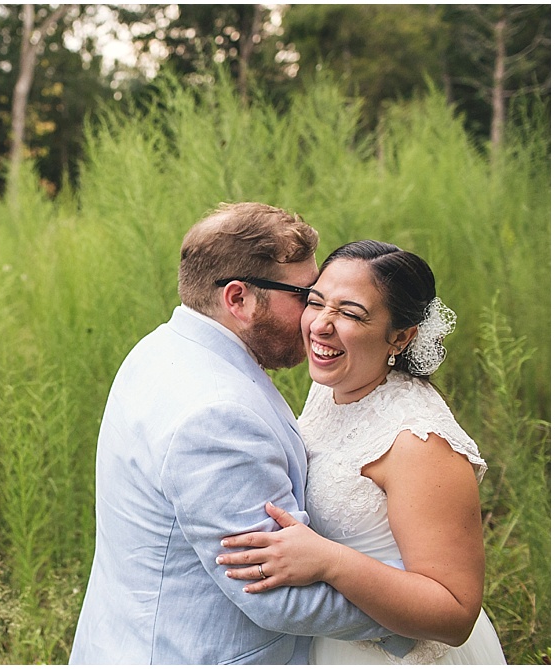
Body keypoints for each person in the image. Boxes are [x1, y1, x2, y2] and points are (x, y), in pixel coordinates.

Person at [69, 204, 415, 664]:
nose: (314, 318)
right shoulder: (216, 415)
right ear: (239, 299)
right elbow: (273, 595)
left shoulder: (161, 348)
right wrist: (415, 613)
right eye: (306, 296)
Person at [216, 240, 506, 664]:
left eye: (350, 313)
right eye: (316, 302)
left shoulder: (419, 442)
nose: (320, 325)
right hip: (333, 639)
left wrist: (329, 562)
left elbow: (455, 614)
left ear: (401, 337)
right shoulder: (331, 386)